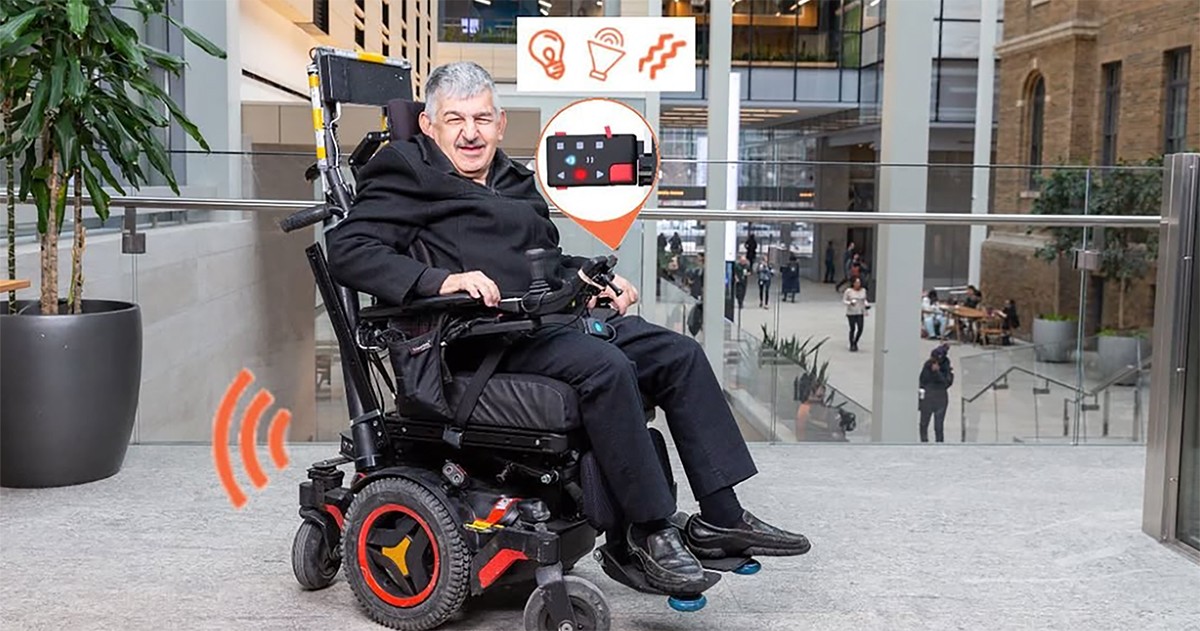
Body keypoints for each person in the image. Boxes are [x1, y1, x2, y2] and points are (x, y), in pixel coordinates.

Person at [325, 62, 810, 595]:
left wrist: (590, 277)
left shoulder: (511, 177)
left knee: (677, 353)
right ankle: (647, 532)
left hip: (542, 322)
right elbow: (349, 251)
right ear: (429, 124)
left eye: (483, 119)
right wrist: (440, 281)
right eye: (455, 119)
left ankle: (722, 517)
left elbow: (542, 258)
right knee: (605, 368)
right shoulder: (405, 171)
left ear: (501, 122)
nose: (471, 132)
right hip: (471, 340)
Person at [918, 344, 954, 442]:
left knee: (938, 426)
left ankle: (939, 443)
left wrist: (938, 373)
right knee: (923, 423)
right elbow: (922, 381)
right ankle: (924, 442)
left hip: (940, 398)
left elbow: (947, 383)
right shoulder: (928, 365)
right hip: (928, 397)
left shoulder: (946, 366)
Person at [843, 277, 869, 352]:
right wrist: (850, 303)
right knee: (852, 328)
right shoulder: (849, 291)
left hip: (860, 311)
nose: (858, 284)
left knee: (860, 328)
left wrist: (866, 305)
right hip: (851, 312)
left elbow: (864, 300)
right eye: (856, 283)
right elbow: (844, 300)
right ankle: (852, 344)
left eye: (859, 282)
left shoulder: (863, 290)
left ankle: (855, 341)